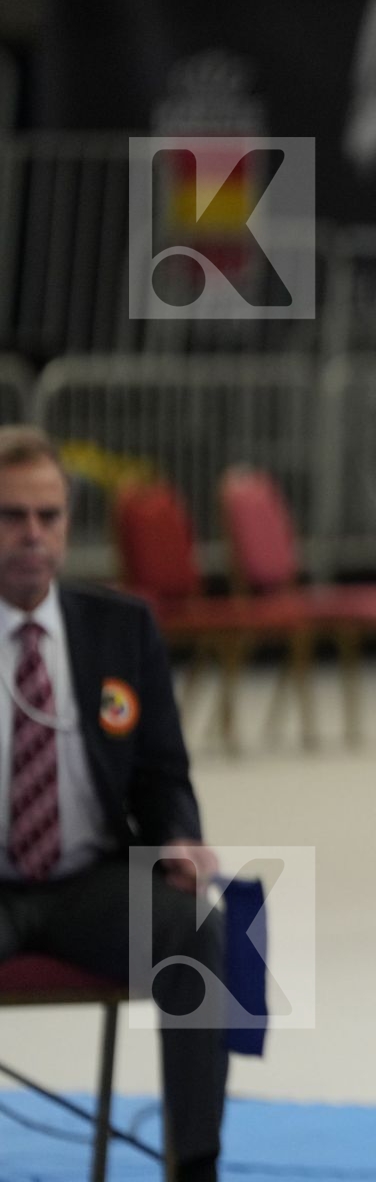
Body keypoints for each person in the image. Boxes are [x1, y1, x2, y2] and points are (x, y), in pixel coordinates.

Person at [0, 427, 227, 1182]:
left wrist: (180, 838)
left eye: (48, 516)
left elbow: (163, 773)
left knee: (205, 928)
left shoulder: (121, 630)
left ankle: (194, 1166)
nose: (32, 535)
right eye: (11, 516)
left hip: (87, 881)